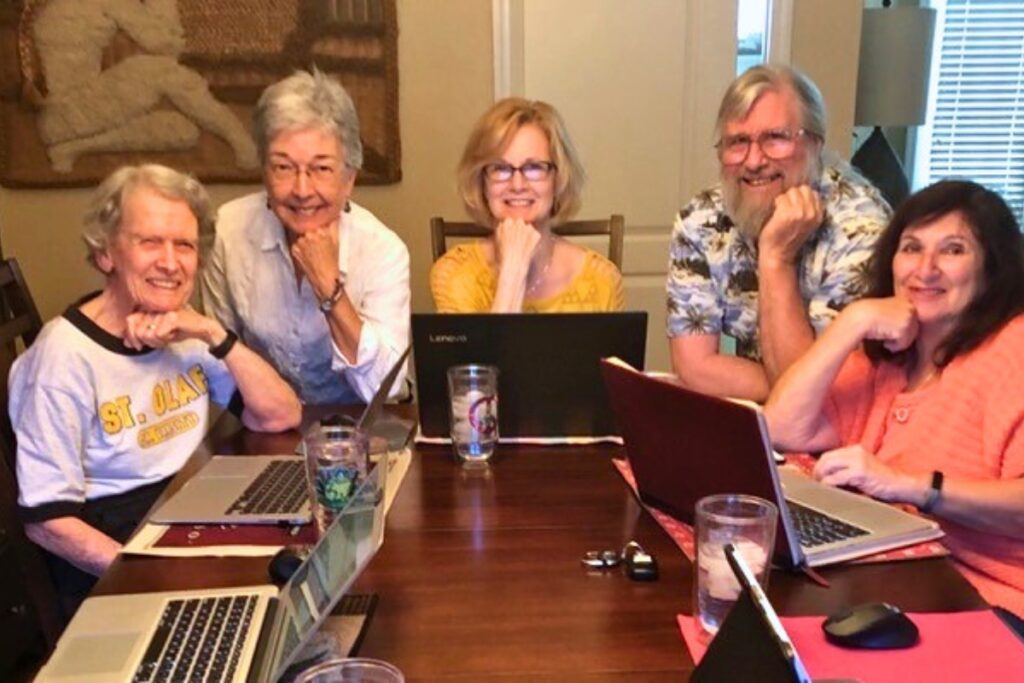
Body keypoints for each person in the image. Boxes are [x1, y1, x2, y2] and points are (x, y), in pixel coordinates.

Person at [10, 164, 302, 616]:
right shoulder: (63, 358)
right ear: (106, 253)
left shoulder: (182, 326)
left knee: (306, 571)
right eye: (149, 242)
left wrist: (209, 331)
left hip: (188, 512)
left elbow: (279, 415)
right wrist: (151, 575)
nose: (170, 262)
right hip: (113, 554)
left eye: (184, 245)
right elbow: (49, 524)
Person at [764, 180, 1024, 624]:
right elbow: (783, 428)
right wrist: (853, 321)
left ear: (992, 268)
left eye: (953, 250)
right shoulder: (885, 354)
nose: (925, 269)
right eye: (911, 247)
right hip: (899, 577)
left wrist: (910, 485)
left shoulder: (1012, 351)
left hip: (990, 599)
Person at [666, 64, 890, 402]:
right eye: (737, 142)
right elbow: (695, 366)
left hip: (847, 430)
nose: (754, 161)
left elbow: (826, 400)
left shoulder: (861, 230)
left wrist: (776, 258)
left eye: (775, 138)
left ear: (815, 144)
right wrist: (798, 382)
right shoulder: (702, 220)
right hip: (767, 418)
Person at [200, 69, 410, 405]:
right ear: (264, 173)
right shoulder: (227, 231)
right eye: (283, 167)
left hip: (358, 433)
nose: (301, 190)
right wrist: (268, 417)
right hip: (263, 424)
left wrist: (329, 289)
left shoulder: (383, 251)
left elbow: (387, 389)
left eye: (321, 169)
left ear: (349, 180)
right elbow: (217, 359)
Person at [430, 98, 623, 313]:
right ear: (481, 181)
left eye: (534, 167)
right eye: (500, 168)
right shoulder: (454, 272)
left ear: (558, 178)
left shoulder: (601, 279)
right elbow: (485, 349)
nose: (517, 185)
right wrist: (512, 272)